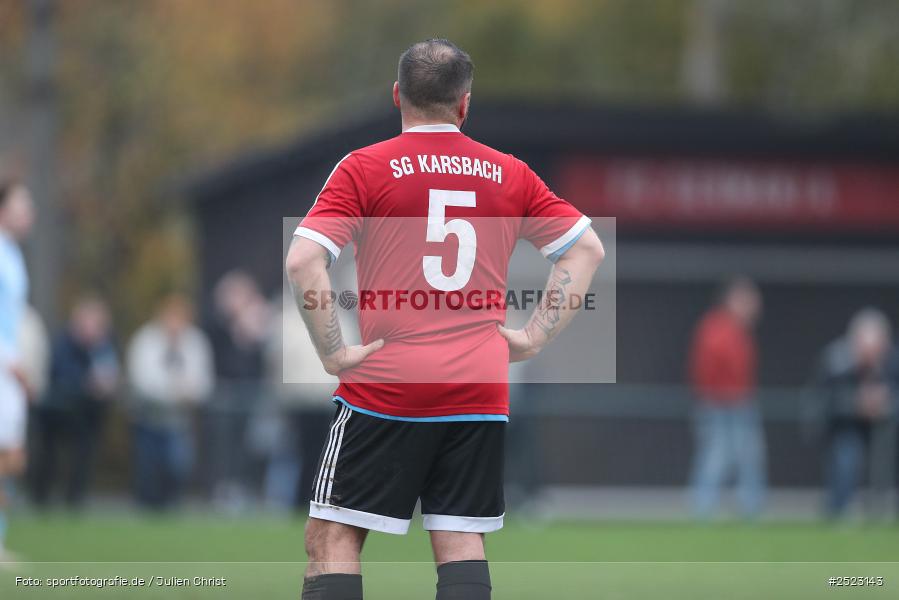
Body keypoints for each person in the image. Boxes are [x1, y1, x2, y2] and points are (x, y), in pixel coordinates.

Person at [285, 39, 604, 600]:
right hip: (478, 388)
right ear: (464, 105)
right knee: (459, 538)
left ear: (396, 96)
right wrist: (533, 336)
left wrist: (333, 352)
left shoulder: (364, 167)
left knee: (332, 537)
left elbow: (304, 260)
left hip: (390, 382)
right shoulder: (511, 173)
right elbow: (586, 251)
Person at [806, 308, 898, 518]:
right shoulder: (837, 361)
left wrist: (885, 400)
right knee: (847, 456)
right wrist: (856, 403)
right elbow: (824, 399)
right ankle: (838, 510)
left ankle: (881, 512)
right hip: (844, 426)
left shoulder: (892, 362)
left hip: (886, 427)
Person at [688, 277, 765, 519]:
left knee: (749, 457)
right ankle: (703, 509)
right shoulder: (717, 328)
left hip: (740, 403)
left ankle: (750, 511)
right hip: (718, 405)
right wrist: (713, 396)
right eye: (746, 300)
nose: (753, 306)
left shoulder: (740, 331)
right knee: (716, 458)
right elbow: (704, 368)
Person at [127, 294, 213, 509]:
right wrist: (173, 391)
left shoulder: (196, 342)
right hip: (149, 417)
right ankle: (147, 509)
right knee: (149, 468)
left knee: (177, 467)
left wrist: (187, 392)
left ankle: (172, 506)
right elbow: (142, 381)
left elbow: (204, 382)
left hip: (180, 421)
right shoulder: (145, 341)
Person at [32, 296, 119, 508]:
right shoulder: (63, 342)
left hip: (87, 413)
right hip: (57, 411)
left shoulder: (103, 345)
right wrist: (85, 382)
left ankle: (75, 498)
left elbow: (110, 372)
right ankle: (42, 498)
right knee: (50, 454)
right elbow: (60, 374)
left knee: (83, 454)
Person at [204, 271, 271, 509]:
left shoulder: (260, 323)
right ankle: (222, 489)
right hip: (224, 396)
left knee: (251, 446)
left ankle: (246, 489)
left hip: (252, 395)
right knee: (224, 446)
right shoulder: (215, 325)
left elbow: (264, 358)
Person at [0, 181, 35, 561]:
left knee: (10, 458)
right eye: (22, 204)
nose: (30, 213)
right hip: (2, 365)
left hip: (10, 367)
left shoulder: (13, 254)